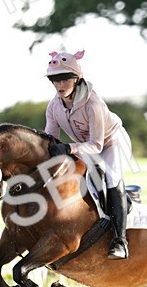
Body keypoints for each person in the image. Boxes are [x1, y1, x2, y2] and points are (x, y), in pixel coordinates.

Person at [43, 49, 135, 259]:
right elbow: (50, 139)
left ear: (77, 79)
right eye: (55, 80)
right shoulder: (53, 107)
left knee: (111, 177)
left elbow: (97, 146)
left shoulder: (93, 104)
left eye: (64, 79)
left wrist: (69, 148)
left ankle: (120, 242)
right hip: (87, 145)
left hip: (112, 142)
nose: (59, 85)